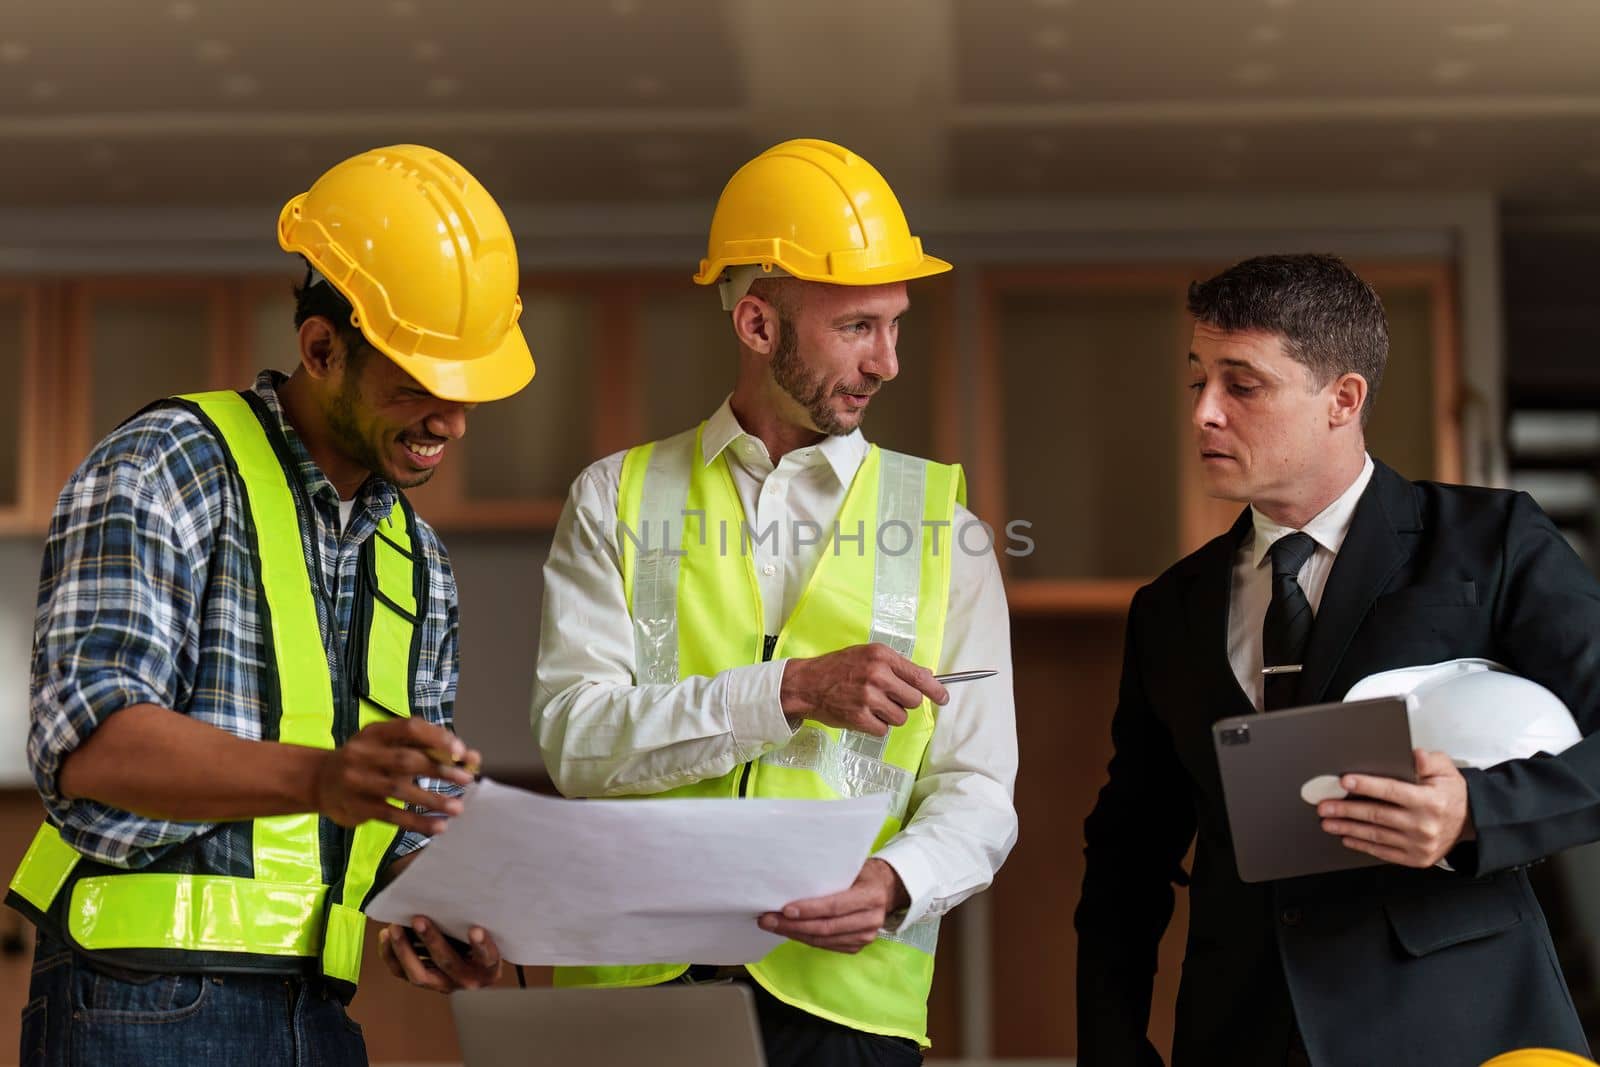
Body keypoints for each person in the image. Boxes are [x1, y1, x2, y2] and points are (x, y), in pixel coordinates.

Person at [7, 144, 533, 1066]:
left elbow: (401, 814)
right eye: (419, 382)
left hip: (319, 1017)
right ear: (322, 348)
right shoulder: (170, 463)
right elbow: (88, 743)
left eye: (466, 391)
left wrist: (438, 911)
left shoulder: (421, 564)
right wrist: (323, 778)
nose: (450, 421)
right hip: (141, 1002)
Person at [509, 138, 1016, 1065]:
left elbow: (979, 787)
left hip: (846, 1010)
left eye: (896, 324)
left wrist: (900, 879)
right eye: (858, 327)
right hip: (637, 992)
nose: (888, 361)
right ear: (757, 325)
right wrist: (786, 691)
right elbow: (576, 741)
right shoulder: (615, 497)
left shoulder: (950, 530)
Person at [1074, 253, 1600, 1065]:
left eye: (1241, 384)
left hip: (1460, 1028)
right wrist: (1110, 1044)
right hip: (1239, 1035)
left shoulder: (1491, 541)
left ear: (1342, 400)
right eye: (1197, 380)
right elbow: (1127, 853)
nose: (1205, 412)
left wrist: (1474, 813)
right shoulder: (1168, 609)